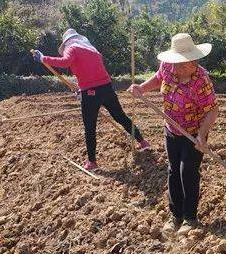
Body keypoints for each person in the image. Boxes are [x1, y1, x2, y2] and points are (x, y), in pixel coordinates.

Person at [128, 33, 218, 236]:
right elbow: (158, 78)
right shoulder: (168, 67)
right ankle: (175, 215)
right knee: (173, 171)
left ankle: (190, 218)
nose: (184, 67)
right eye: (180, 63)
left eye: (188, 62)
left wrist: (202, 135)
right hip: (171, 129)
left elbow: (212, 110)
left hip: (194, 133)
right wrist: (141, 88)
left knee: (188, 171)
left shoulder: (201, 80)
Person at [31, 28, 150, 171]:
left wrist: (43, 58)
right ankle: (143, 142)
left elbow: (65, 62)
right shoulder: (92, 50)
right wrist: (82, 88)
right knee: (120, 116)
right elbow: (90, 72)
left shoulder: (72, 48)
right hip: (106, 88)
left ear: (67, 42)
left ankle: (92, 162)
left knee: (90, 127)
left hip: (90, 93)